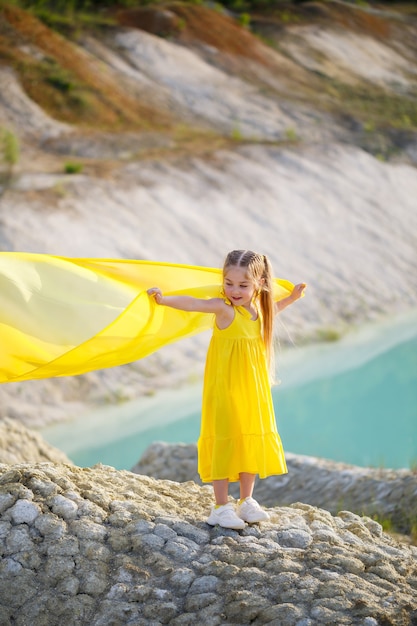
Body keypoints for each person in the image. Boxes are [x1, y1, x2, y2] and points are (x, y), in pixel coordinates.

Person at [148, 250, 306, 530]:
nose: (234, 291)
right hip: (225, 387)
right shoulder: (224, 309)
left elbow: (274, 309)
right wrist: (164, 299)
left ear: (259, 283)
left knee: (248, 437)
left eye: (243, 285)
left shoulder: (258, 308)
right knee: (224, 436)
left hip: (252, 387)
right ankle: (220, 507)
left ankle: (246, 501)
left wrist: (292, 298)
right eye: (229, 283)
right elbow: (194, 303)